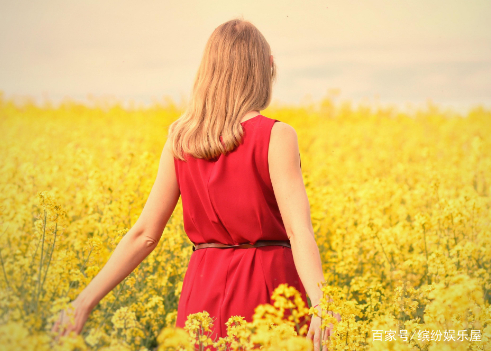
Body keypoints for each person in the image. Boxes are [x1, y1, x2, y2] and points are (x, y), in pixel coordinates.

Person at [51, 17, 340, 351]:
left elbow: (144, 234)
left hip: (201, 294)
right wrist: (321, 304)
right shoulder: (277, 135)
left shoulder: (181, 139)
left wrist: (83, 302)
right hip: (269, 291)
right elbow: (298, 231)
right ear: (266, 67)